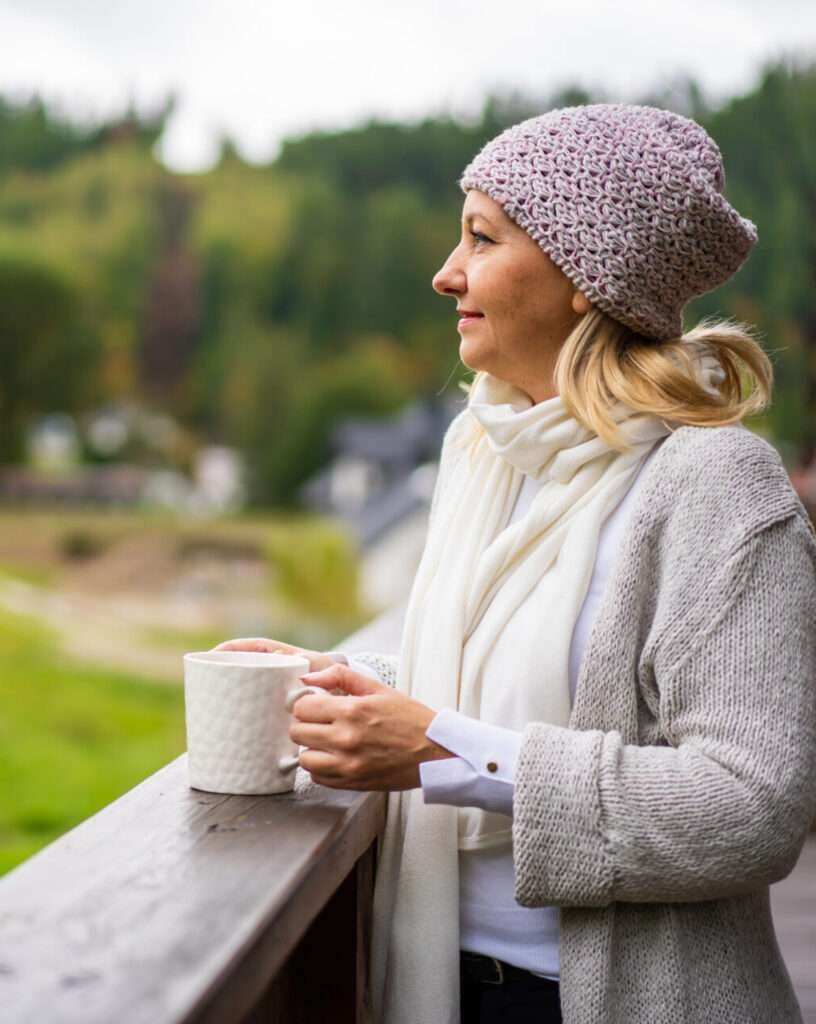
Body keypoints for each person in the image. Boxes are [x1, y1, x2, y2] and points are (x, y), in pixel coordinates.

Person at [214, 103, 816, 1024]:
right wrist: (333, 686)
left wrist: (443, 753)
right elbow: (490, 687)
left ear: (585, 275)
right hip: (440, 987)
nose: (445, 273)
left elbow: (754, 804)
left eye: (481, 239)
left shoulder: (714, 484)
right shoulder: (486, 453)